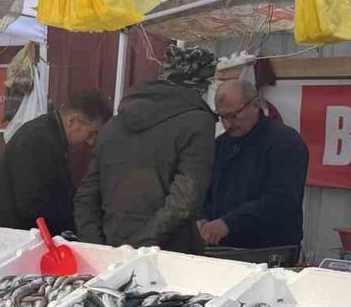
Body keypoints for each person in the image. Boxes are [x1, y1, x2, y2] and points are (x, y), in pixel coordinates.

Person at [74, 45, 218, 254]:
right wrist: (140, 246)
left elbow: (86, 195)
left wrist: (96, 246)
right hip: (167, 255)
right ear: (203, 85)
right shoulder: (198, 121)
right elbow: (185, 199)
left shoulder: (113, 124)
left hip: (111, 243)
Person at [198, 78, 309, 254]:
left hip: (270, 250)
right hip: (222, 249)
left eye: (234, 115)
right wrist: (202, 218)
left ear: (255, 104)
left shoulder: (285, 143)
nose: (228, 124)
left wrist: (229, 223)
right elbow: (205, 192)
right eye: (222, 117)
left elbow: (281, 200)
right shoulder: (220, 145)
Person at [0, 90, 110, 235]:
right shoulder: (37, 139)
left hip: (18, 230)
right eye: (91, 133)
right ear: (71, 121)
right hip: (8, 235)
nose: (91, 142)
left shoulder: (51, 135)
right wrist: (75, 224)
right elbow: (32, 204)